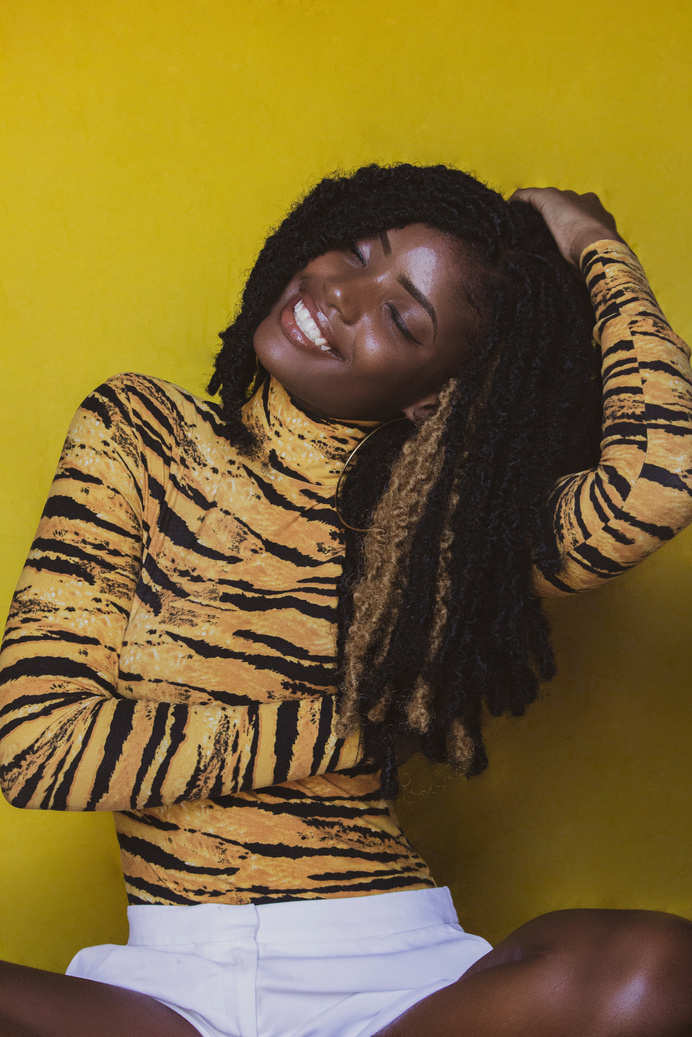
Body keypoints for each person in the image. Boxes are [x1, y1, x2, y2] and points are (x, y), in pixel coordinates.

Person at [0, 164, 691, 1037]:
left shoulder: (456, 522)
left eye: (400, 315)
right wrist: (354, 726)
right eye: (354, 251)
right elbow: (37, 745)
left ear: (433, 394)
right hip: (170, 981)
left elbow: (657, 486)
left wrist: (598, 250)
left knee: (655, 973)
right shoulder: (144, 433)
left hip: (392, 985)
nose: (337, 295)